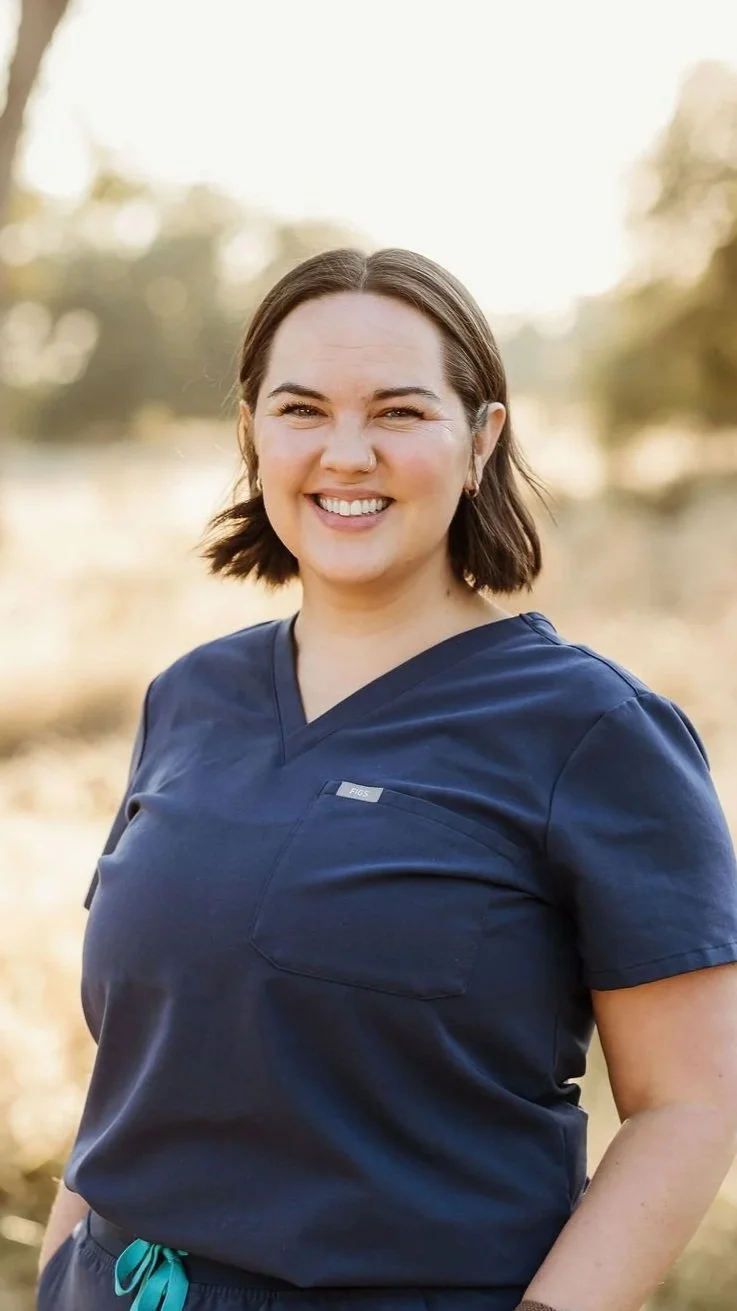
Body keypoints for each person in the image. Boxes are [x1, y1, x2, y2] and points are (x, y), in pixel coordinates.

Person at [37, 247, 737, 1311]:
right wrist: (60, 1266)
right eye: (301, 409)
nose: (345, 453)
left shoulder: (592, 733)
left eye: (400, 413)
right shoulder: (189, 698)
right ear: (252, 433)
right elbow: (140, 1048)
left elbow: (689, 1102)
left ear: (480, 439)